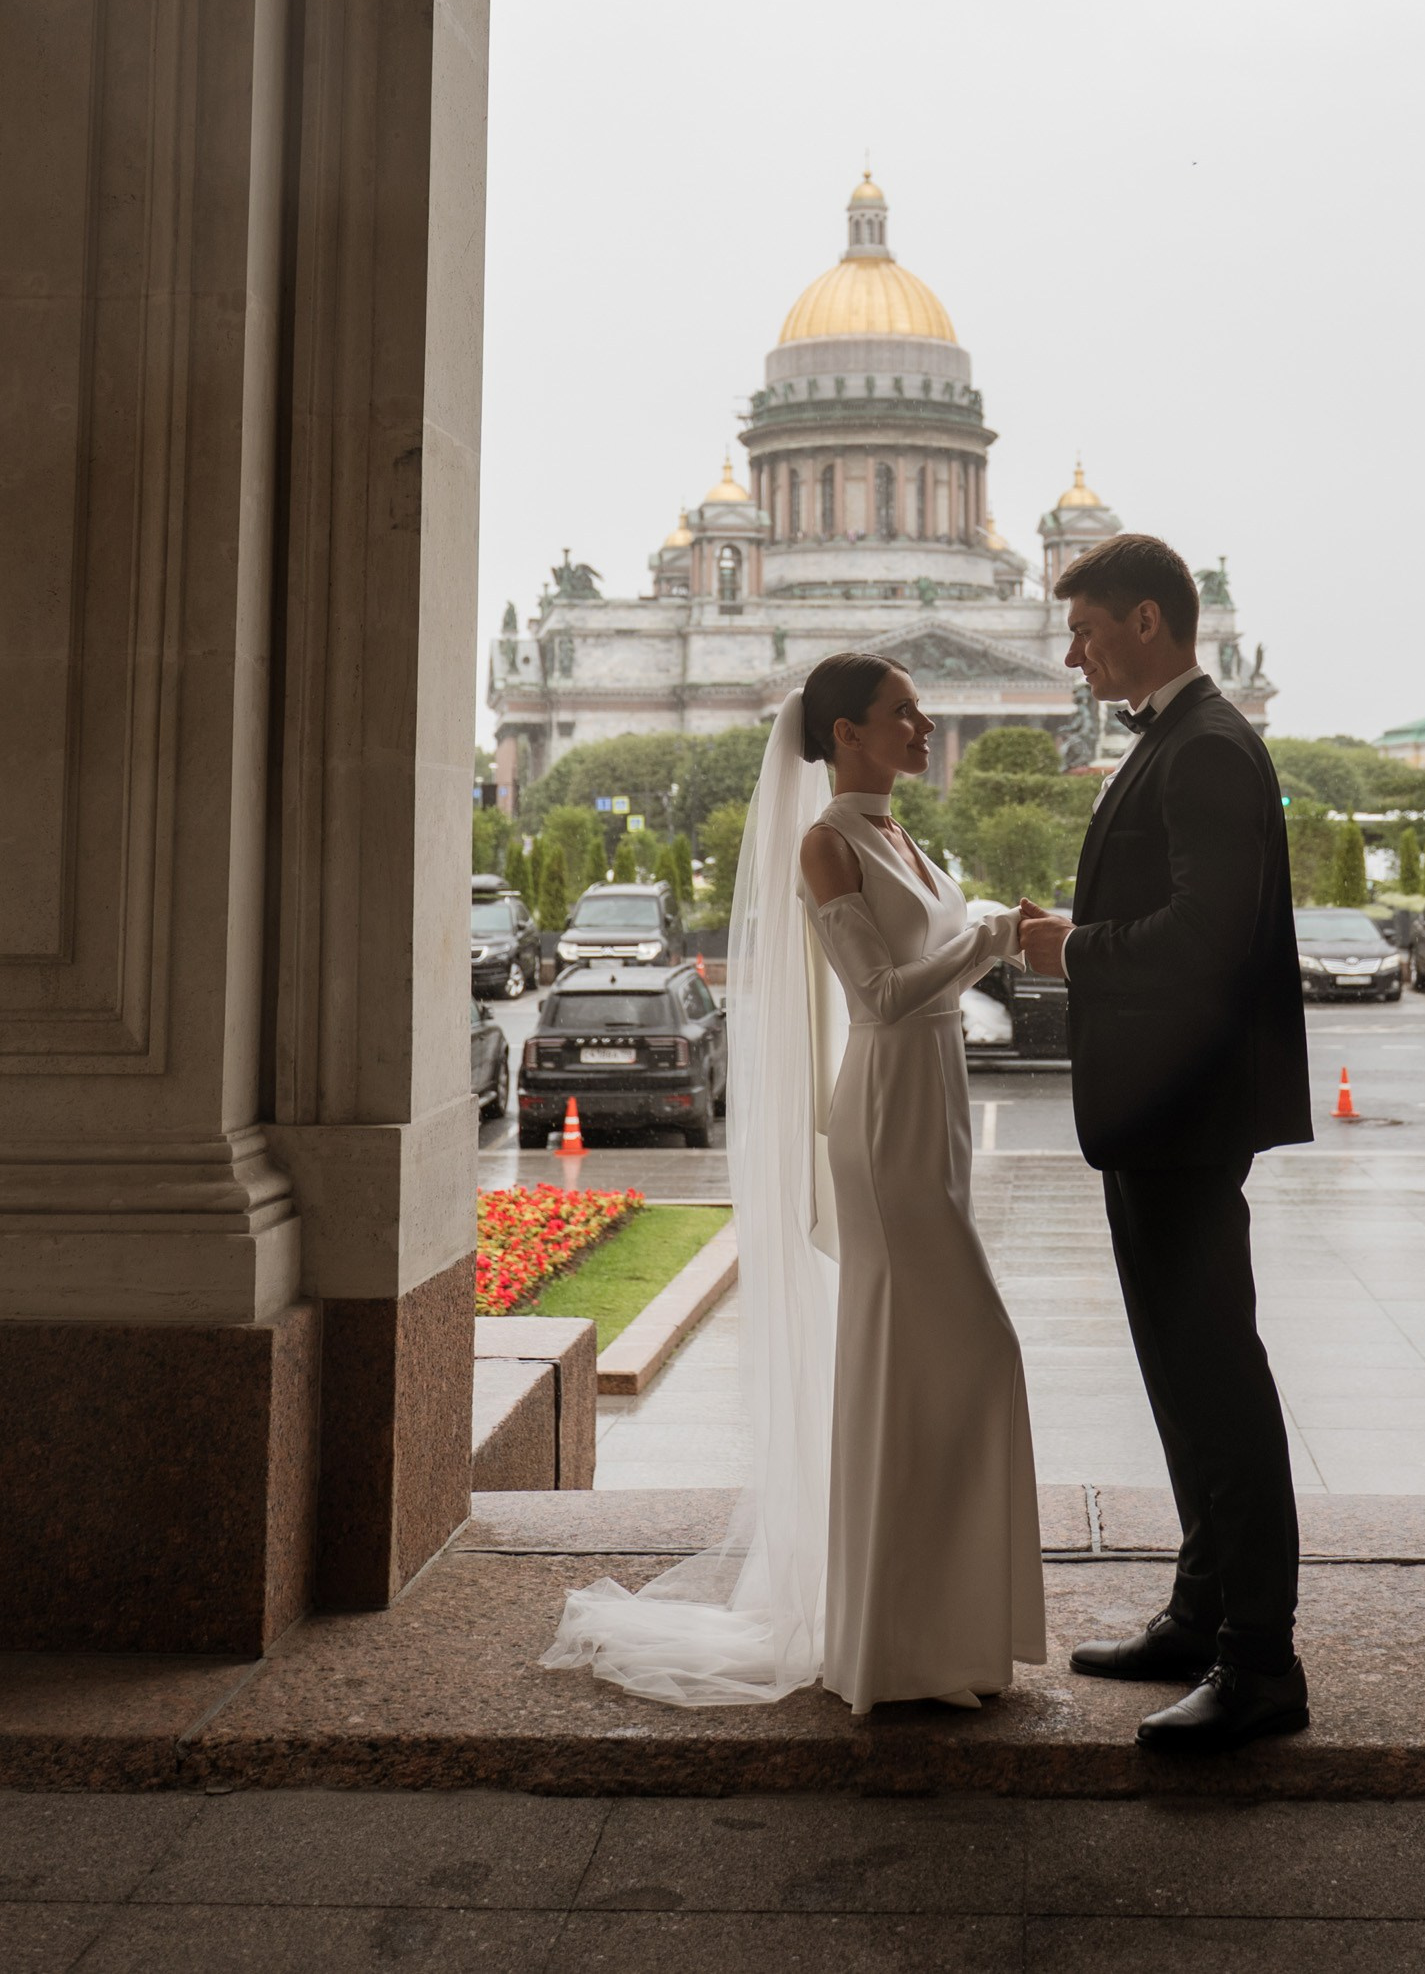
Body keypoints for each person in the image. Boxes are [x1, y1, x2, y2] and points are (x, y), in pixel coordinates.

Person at [542, 655, 1043, 1715]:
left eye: (919, 710)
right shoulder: (827, 842)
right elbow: (879, 991)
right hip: (886, 1109)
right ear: (846, 733)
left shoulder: (904, 834)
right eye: (901, 712)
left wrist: (991, 923)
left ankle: (921, 1638)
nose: (923, 724)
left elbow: (925, 971)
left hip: (931, 1104)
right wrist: (994, 930)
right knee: (960, 1353)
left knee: (927, 1367)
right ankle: (889, 1640)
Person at [1017, 531, 1311, 1754]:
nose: (1071, 651)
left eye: (1083, 628)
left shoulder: (1204, 748)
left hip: (1183, 1110)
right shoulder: (1180, 738)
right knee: (1184, 1382)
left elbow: (1204, 935)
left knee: (1217, 1384)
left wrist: (1070, 948)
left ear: (1146, 619)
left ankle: (1259, 1661)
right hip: (1158, 1111)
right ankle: (1202, 1614)